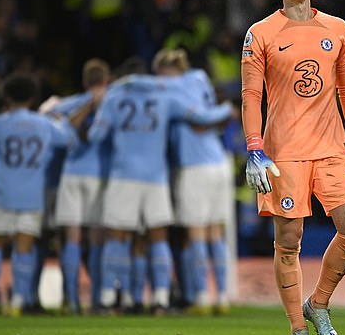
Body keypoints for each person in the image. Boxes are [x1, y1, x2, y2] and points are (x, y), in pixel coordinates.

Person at [241, 0, 345, 335]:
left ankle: (320, 302)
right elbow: (250, 94)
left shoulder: (337, 27)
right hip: (285, 153)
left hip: (333, 148)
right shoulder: (260, 33)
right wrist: (254, 149)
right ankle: (298, 328)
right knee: (290, 240)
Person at [87, 57, 232, 314]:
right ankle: (161, 299)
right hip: (157, 178)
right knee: (159, 237)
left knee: (118, 236)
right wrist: (227, 109)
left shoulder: (113, 97)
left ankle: (111, 299)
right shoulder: (169, 99)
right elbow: (201, 116)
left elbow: (95, 135)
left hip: (124, 175)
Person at [0, 75, 77, 316]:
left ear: (7, 97)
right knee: (24, 250)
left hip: (2, 193)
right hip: (31, 196)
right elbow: (68, 140)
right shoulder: (43, 124)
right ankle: (18, 301)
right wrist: (62, 119)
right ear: (31, 98)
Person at [155, 49, 234, 315]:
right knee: (215, 232)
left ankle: (200, 296)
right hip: (218, 162)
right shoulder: (200, 78)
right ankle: (222, 297)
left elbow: (199, 117)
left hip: (193, 167)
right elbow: (210, 114)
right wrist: (225, 110)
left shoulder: (165, 89)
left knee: (197, 232)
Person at [49, 58, 112, 313]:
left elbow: (50, 114)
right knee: (97, 239)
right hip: (100, 176)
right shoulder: (112, 102)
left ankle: (72, 300)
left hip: (72, 175)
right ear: (106, 81)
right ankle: (97, 299)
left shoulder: (71, 103)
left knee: (72, 238)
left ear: (85, 82)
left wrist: (84, 103)